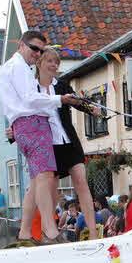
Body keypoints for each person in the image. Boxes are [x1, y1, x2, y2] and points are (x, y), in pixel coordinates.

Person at [0, 30, 85, 244]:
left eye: (41, 50)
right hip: (32, 123)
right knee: (45, 178)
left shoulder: (14, 67)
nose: (37, 53)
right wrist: (60, 99)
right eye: (34, 48)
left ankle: (26, 233)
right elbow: (29, 99)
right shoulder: (18, 67)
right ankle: (50, 231)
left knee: (38, 180)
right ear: (21, 45)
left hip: (25, 125)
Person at [35, 48, 101, 240]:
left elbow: (78, 102)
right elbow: (23, 113)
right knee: (51, 192)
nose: (54, 65)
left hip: (69, 141)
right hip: (49, 146)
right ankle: (50, 233)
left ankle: (94, 232)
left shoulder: (63, 86)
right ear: (39, 63)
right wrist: (13, 133)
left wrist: (93, 109)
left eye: (56, 62)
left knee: (82, 183)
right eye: (50, 61)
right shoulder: (31, 89)